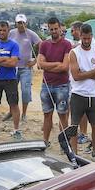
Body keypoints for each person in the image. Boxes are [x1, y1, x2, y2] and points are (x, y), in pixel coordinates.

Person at [68, 24, 95, 160]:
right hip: (78, 94)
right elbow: (76, 76)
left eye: (89, 38)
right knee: (74, 126)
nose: (87, 41)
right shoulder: (74, 53)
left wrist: (86, 73)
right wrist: (93, 71)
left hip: (93, 94)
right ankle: (75, 154)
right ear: (80, 36)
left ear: (92, 37)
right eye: (84, 38)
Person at [37, 17, 73, 147]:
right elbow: (40, 65)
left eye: (56, 29)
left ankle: (65, 144)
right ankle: (45, 141)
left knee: (63, 116)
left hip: (62, 86)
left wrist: (48, 65)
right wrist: (56, 64)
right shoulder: (44, 44)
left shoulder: (67, 44)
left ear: (60, 28)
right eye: (51, 29)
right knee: (47, 115)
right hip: (46, 85)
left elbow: (64, 67)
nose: (54, 31)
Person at [8, 14, 41, 123]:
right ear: (16, 23)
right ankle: (11, 111)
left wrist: (35, 61)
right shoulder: (11, 33)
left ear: (26, 23)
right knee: (12, 91)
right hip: (13, 67)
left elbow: (41, 45)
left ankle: (24, 114)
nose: (21, 25)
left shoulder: (31, 34)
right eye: (19, 23)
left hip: (26, 68)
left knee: (25, 91)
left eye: (22, 23)